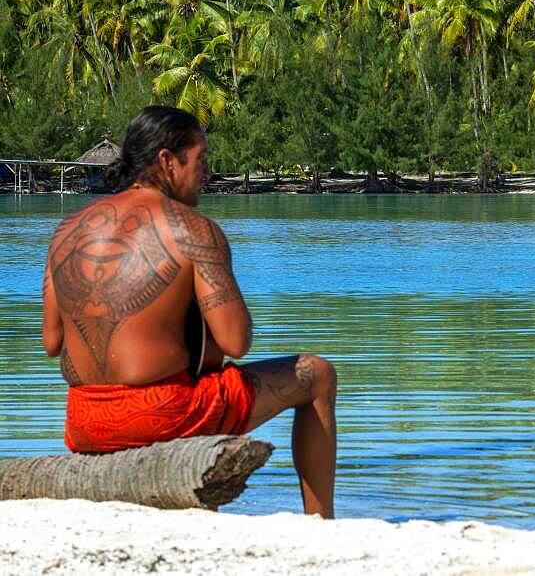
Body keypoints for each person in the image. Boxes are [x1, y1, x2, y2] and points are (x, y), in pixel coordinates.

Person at [41, 106, 337, 518]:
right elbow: (236, 341)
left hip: (83, 419)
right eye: (201, 159)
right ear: (167, 160)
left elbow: (52, 343)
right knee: (317, 375)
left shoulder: (66, 230)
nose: (207, 173)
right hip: (160, 414)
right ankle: (321, 523)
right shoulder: (194, 230)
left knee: (198, 365)